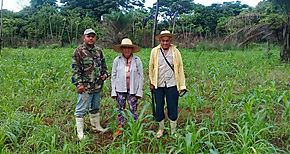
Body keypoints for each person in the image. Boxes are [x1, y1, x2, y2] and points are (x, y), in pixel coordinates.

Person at [71, 28, 109, 140]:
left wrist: (105, 75)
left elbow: (104, 66)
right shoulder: (79, 51)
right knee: (81, 109)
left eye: (93, 36)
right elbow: (75, 69)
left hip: (97, 85)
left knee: (95, 107)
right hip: (85, 87)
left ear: (95, 38)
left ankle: (96, 127)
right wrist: (78, 84)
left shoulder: (99, 51)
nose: (91, 38)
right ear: (84, 37)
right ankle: (80, 133)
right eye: (88, 36)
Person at [149, 30, 187, 138]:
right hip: (158, 84)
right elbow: (151, 67)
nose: (165, 43)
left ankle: (173, 131)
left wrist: (182, 85)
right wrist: (152, 82)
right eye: (163, 41)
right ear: (160, 41)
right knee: (159, 106)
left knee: (172, 107)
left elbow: (180, 69)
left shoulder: (175, 52)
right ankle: (160, 129)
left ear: (170, 41)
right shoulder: (154, 51)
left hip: (172, 84)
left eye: (167, 41)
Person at [111, 38, 144, 137]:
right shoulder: (117, 60)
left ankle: (134, 127)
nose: (127, 50)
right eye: (124, 48)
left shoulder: (137, 60)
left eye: (129, 48)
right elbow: (113, 75)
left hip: (133, 89)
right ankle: (121, 126)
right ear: (122, 49)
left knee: (133, 109)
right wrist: (113, 90)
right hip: (120, 89)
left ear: (132, 49)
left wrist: (139, 91)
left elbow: (141, 76)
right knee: (120, 109)